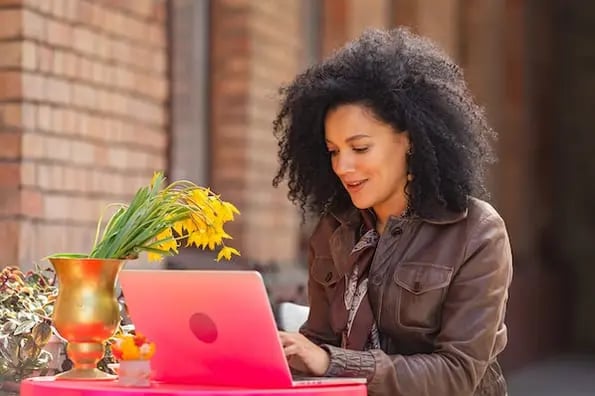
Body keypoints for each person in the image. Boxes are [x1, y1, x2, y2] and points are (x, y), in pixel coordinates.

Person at [272, 27, 512, 396]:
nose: (342, 166)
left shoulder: (477, 233)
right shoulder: (334, 229)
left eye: (360, 148)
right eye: (334, 150)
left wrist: (332, 362)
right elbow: (317, 343)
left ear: (410, 140)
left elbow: (458, 374)